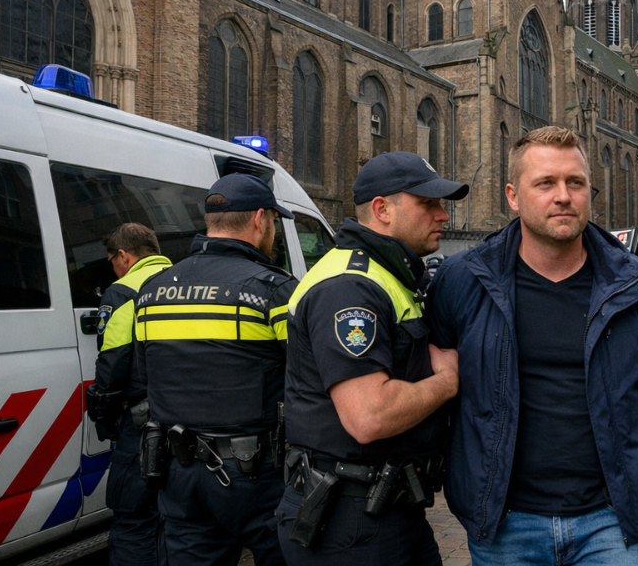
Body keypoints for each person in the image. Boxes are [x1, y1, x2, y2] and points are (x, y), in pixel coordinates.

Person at [427, 127, 638, 566]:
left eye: (575, 182)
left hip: (610, 522)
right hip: (505, 522)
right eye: (545, 183)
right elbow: (445, 386)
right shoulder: (462, 280)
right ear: (512, 195)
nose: (563, 196)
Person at [276, 152, 468, 565]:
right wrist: (447, 383)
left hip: (387, 508)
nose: (443, 216)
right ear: (382, 209)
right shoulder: (349, 287)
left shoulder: (388, 275)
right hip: (349, 521)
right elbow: (369, 415)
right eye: (429, 204)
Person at [133, 174, 299, 566]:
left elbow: (145, 377)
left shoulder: (152, 292)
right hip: (256, 475)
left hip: (178, 471)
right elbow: (305, 379)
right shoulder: (273, 291)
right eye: (274, 221)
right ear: (261, 219)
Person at [85, 223, 172, 566]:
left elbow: (113, 360)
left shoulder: (123, 291)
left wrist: (103, 416)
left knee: (133, 519)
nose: (113, 268)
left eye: (111, 261)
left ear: (124, 255)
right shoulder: (183, 281)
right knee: (172, 521)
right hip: (187, 420)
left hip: (140, 425)